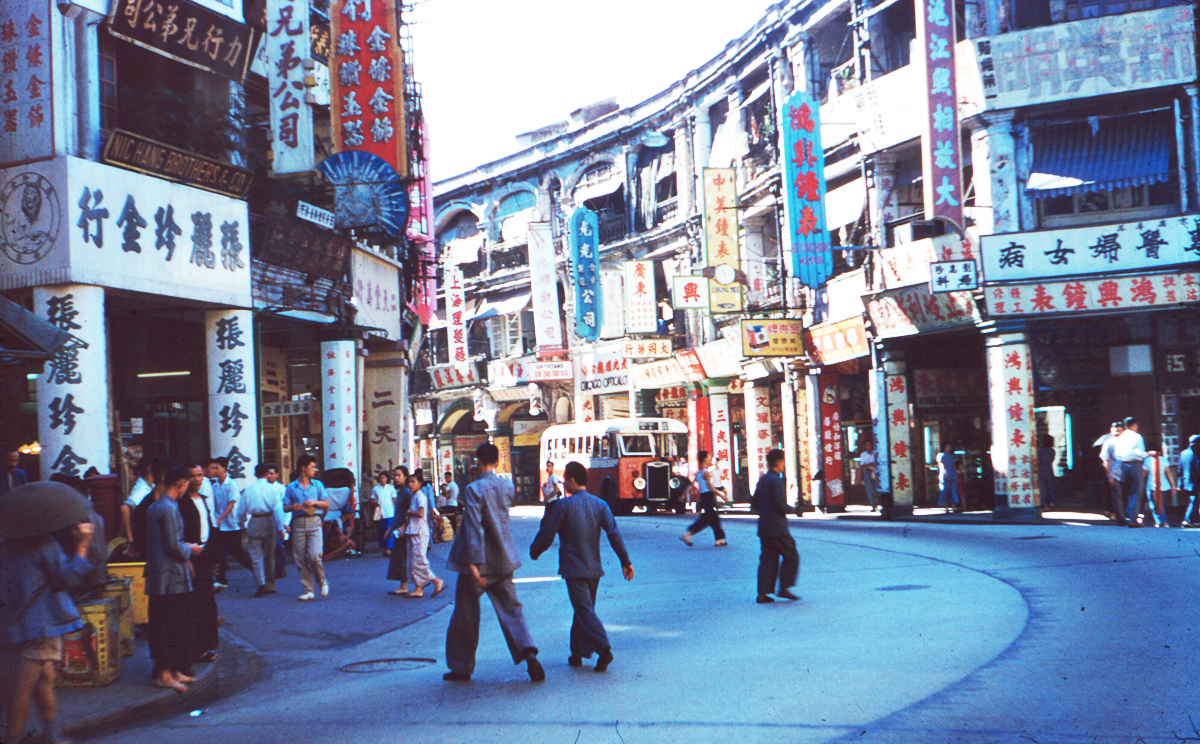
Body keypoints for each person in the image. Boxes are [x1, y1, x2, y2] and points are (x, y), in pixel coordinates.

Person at [443, 443, 543, 683]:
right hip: (504, 559)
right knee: (512, 610)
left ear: (476, 461)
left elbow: (474, 528)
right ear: (498, 462)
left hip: (477, 564)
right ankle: (529, 654)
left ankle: (462, 667)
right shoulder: (507, 486)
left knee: (465, 616)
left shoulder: (473, 489)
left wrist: (474, 565)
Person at [0, 493, 94, 744]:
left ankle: (53, 736)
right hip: (42, 626)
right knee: (25, 686)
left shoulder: (5, 546)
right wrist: (82, 544)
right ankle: (11, 739)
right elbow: (68, 579)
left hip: (16, 625)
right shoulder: (44, 544)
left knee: (45, 680)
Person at [530, 461, 633, 672]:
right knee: (584, 609)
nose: (564, 482)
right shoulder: (600, 504)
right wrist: (625, 561)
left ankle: (604, 650)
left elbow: (548, 533)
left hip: (573, 569)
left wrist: (535, 550)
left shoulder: (563, 506)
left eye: (565, 479)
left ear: (572, 481)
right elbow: (614, 534)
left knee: (584, 609)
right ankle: (577, 653)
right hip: (594, 568)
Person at [144, 465, 204, 692]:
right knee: (169, 626)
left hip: (165, 576)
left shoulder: (158, 506)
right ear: (180, 484)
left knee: (172, 625)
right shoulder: (167, 508)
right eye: (186, 483)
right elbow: (173, 545)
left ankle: (174, 671)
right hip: (169, 578)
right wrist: (191, 550)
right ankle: (165, 673)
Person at [177, 463, 219, 663]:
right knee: (197, 605)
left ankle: (209, 645)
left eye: (200, 475)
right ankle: (198, 649)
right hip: (191, 556)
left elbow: (210, 528)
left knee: (208, 603)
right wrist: (187, 559)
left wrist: (215, 558)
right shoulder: (181, 502)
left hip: (206, 554)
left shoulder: (203, 499)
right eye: (192, 475)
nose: (197, 479)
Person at [752, 449, 800, 604]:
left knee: (767, 558)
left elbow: (754, 504)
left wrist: (765, 511)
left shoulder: (763, 479)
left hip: (764, 526)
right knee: (791, 553)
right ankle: (784, 587)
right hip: (777, 527)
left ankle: (762, 593)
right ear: (779, 462)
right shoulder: (776, 480)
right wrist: (792, 509)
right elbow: (780, 503)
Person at [283, 455, 330, 601]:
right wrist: (293, 507)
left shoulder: (317, 485)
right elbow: (285, 507)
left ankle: (322, 581)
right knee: (300, 557)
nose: (314, 470)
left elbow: (326, 503)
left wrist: (314, 502)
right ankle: (308, 589)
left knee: (314, 556)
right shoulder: (291, 487)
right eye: (312, 467)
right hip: (298, 522)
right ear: (303, 468)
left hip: (314, 521)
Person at [241, 464, 287, 596]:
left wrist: (242, 524)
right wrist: (280, 528)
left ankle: (260, 583)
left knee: (255, 554)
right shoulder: (272, 489)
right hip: (269, 521)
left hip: (254, 521)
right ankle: (270, 584)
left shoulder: (248, 490)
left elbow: (241, 510)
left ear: (255, 474)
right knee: (269, 555)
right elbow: (277, 510)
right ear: (267, 474)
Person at [209, 457, 253, 591]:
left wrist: (220, 517)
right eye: (214, 468)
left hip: (232, 525)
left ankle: (258, 571)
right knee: (219, 552)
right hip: (220, 526)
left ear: (224, 468)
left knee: (237, 553)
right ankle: (221, 579)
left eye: (217, 467)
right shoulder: (215, 485)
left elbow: (231, 503)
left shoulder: (231, 484)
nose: (215, 470)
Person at [402, 474, 445, 598]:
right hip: (413, 530)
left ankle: (436, 580)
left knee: (419, 560)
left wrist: (410, 512)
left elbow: (421, 514)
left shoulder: (420, 497)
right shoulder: (414, 496)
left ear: (419, 483)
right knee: (413, 561)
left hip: (420, 531)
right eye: (409, 482)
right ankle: (418, 588)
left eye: (413, 482)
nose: (410, 484)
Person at [680, 450, 727, 547]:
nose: (710, 457)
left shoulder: (698, 473)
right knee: (705, 519)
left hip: (703, 498)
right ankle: (688, 534)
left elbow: (690, 486)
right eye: (708, 456)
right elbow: (711, 488)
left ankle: (718, 540)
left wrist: (684, 495)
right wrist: (722, 495)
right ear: (705, 458)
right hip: (708, 497)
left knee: (714, 518)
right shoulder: (706, 473)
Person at [1114, 417, 1151, 527]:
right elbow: (1138, 451)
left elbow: (1117, 454)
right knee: (1137, 492)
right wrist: (1147, 454)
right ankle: (1133, 519)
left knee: (1129, 492)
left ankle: (1131, 515)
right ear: (1134, 425)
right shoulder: (1136, 436)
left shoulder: (1120, 437)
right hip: (1134, 465)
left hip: (1123, 465)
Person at [386, 466, 413, 595]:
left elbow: (410, 512)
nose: (396, 478)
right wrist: (390, 529)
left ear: (405, 477)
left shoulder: (407, 492)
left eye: (399, 475)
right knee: (398, 556)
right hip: (397, 528)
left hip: (403, 530)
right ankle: (403, 585)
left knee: (401, 556)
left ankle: (404, 585)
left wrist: (404, 527)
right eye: (395, 475)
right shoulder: (400, 491)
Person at [1142, 450, 1177, 528]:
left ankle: (1161, 522)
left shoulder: (1147, 460)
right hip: (1163, 485)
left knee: (1154, 505)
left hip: (1151, 485)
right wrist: (1173, 485)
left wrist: (1141, 485)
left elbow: (1143, 475)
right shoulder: (1164, 460)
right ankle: (1161, 522)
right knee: (1161, 504)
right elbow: (1169, 474)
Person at [1100, 421, 1126, 524]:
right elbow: (1105, 460)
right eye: (1115, 429)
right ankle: (1121, 518)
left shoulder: (1128, 441)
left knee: (1126, 496)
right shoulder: (1108, 443)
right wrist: (1109, 475)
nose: (1117, 431)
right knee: (1117, 497)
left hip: (1127, 472)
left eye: (1119, 429)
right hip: (1115, 473)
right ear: (1111, 430)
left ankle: (1128, 516)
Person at [372, 471, 397, 557]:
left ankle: (388, 548)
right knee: (381, 530)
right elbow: (372, 499)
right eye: (381, 478)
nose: (382, 479)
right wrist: (375, 502)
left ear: (387, 479)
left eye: (384, 477)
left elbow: (394, 499)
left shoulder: (391, 488)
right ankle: (383, 547)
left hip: (389, 511)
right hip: (379, 511)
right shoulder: (375, 489)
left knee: (388, 529)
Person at [1179, 435, 1200, 528]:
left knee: (1193, 501)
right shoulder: (1195, 454)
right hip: (1195, 481)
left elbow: (1179, 468)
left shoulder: (1183, 453)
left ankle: (1193, 520)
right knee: (1194, 501)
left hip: (1186, 481)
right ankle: (1187, 520)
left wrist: (1179, 483)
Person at [936, 443, 960, 513]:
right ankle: (945, 507)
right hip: (945, 476)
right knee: (944, 491)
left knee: (954, 491)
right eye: (948, 446)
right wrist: (944, 472)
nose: (949, 448)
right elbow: (941, 465)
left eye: (950, 446)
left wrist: (956, 474)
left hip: (952, 475)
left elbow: (953, 465)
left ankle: (954, 506)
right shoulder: (941, 455)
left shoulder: (951, 456)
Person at [858, 439, 879, 512]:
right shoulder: (863, 454)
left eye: (869, 445)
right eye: (866, 445)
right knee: (870, 489)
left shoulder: (875, 453)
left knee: (878, 487)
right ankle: (873, 505)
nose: (868, 446)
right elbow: (863, 465)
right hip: (868, 471)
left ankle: (878, 503)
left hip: (876, 471)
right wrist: (870, 464)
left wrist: (871, 464)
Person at [1037, 435, 1056, 510]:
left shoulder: (1040, 451)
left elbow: (1038, 461)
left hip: (1041, 471)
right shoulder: (1052, 451)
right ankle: (1051, 502)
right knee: (1050, 488)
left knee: (1042, 488)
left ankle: (1044, 504)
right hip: (1049, 470)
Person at [440, 470, 461, 534]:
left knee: (449, 518)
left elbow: (445, 491)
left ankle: (449, 531)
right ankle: (454, 531)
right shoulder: (455, 484)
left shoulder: (450, 484)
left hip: (450, 504)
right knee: (452, 518)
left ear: (450, 477)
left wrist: (444, 494)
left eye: (446, 477)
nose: (446, 479)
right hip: (454, 503)